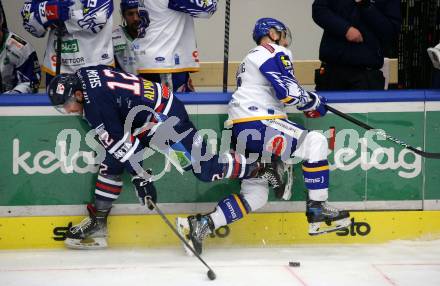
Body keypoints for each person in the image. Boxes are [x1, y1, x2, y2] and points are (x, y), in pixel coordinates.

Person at [46, 65, 284, 249]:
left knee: (204, 169)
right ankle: (98, 220)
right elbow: (119, 139)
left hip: (165, 118)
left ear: (78, 94)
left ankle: (262, 165)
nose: (68, 110)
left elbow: (120, 142)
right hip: (144, 116)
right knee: (113, 159)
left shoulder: (95, 104)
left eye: (67, 104)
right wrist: (141, 177)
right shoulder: (83, 76)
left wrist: (142, 178)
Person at [176, 18, 351, 255]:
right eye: (283, 33)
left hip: (244, 125)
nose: (286, 40)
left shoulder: (251, 58)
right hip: (259, 122)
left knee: (256, 195)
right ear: (271, 33)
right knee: (316, 142)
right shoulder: (273, 50)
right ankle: (317, 208)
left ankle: (204, 224)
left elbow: (282, 91)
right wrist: (314, 101)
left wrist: (308, 101)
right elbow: (288, 92)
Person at [312, 0, 401, 91]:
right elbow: (318, 10)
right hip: (332, 69)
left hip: (366, 73)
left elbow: (390, 31)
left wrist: (366, 5)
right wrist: (345, 29)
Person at [21, 0, 114, 84]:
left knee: (98, 102)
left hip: (96, 66)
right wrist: (48, 11)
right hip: (56, 67)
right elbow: (29, 22)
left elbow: (97, 19)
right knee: (55, 103)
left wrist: (49, 13)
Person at [135, 0, 219, 92]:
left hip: (153, 59)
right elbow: (207, 9)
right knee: (171, 104)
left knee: (154, 104)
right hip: (164, 63)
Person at [0, 8, 40, 94]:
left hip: (10, 102)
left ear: (1, 20)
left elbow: (32, 83)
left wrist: (14, 94)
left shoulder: (22, 48)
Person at [112, 0, 150, 74]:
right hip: (127, 83)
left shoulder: (153, 34)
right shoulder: (113, 38)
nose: (135, 18)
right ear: (123, 16)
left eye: (138, 13)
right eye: (130, 14)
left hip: (152, 83)